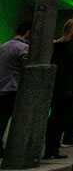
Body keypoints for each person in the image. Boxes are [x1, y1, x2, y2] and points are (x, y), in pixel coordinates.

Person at [44, 18, 73, 160]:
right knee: (60, 118)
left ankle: (51, 148)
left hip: (61, 86)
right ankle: (53, 148)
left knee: (56, 117)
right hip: (70, 87)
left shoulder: (60, 45)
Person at [0, 21, 30, 160]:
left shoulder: (5, 45)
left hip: (2, 87)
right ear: (28, 32)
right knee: (6, 120)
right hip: (12, 88)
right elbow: (27, 68)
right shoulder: (23, 48)